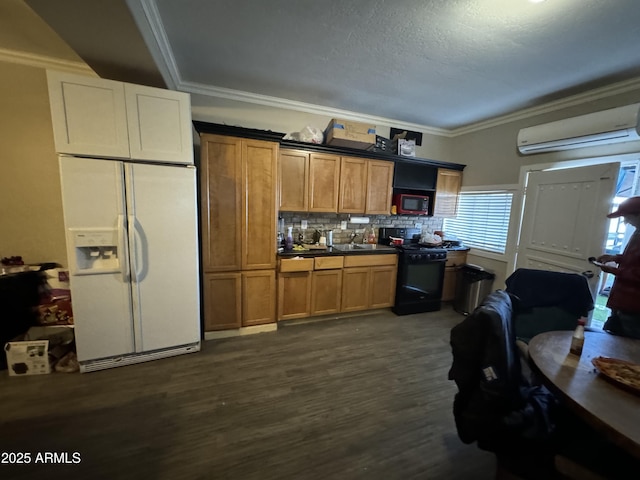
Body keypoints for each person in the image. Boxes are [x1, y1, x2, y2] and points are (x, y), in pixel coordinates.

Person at [596, 196, 640, 339]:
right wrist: (614, 257)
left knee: (629, 349)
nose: (625, 221)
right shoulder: (637, 232)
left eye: (627, 217)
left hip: (634, 308)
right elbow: (634, 259)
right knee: (609, 340)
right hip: (621, 302)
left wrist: (614, 271)